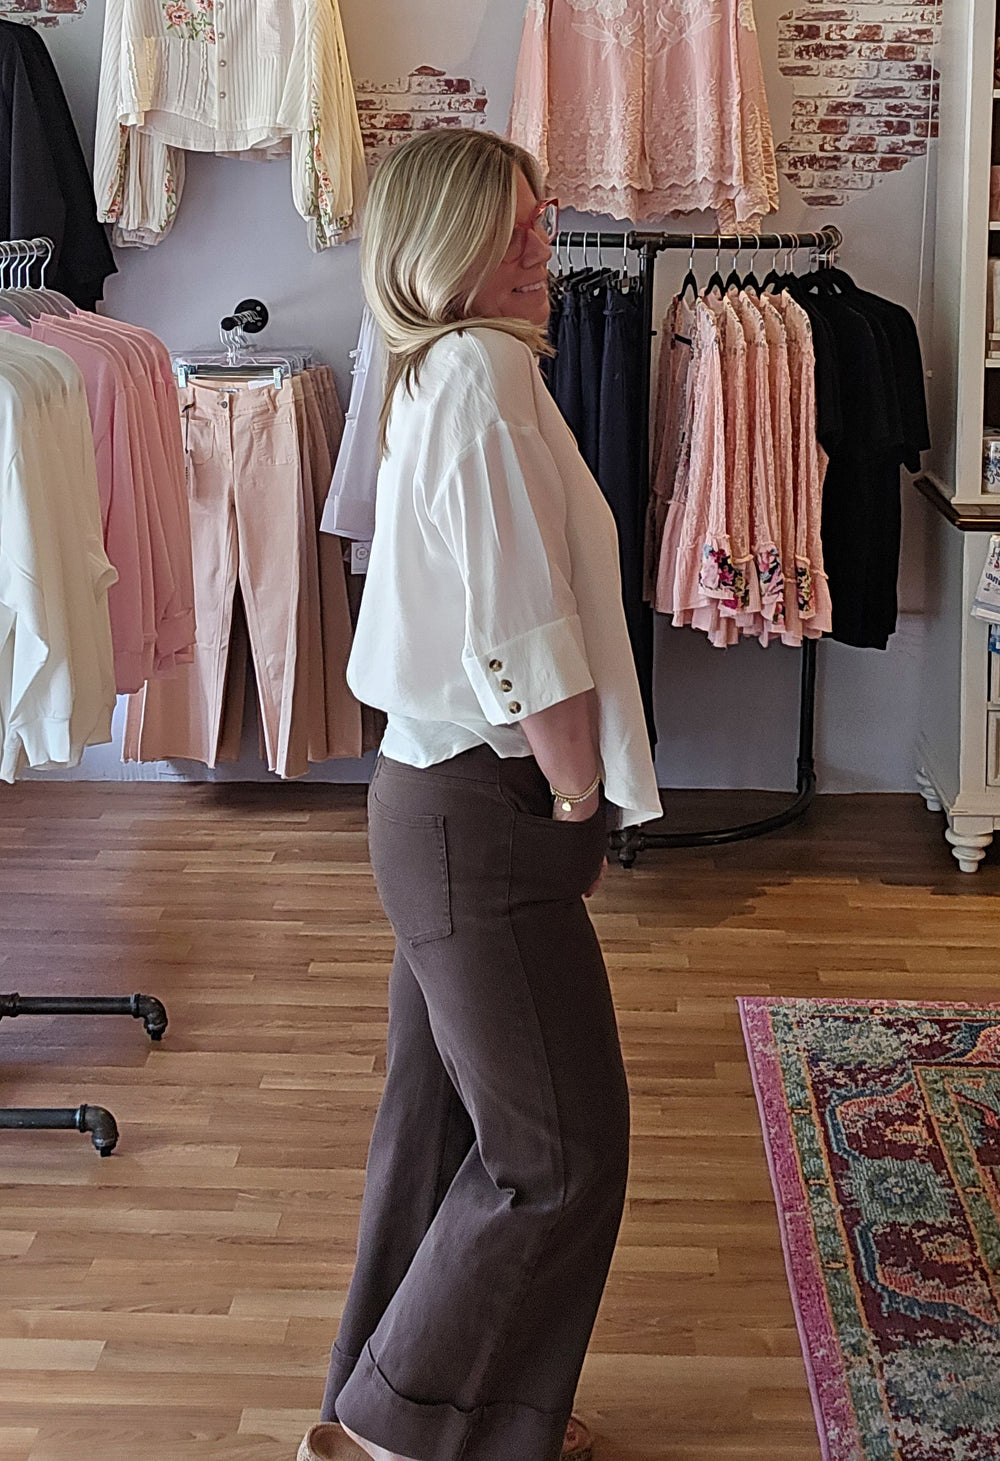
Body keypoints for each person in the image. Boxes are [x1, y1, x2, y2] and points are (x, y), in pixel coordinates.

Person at [298, 127, 662, 1461]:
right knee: (559, 1154)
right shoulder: (481, 381)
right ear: (442, 248)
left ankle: (396, 1406)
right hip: (479, 812)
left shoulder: (451, 375)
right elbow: (525, 631)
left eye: (539, 222)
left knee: (443, 1129)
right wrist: (579, 794)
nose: (542, 247)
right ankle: (402, 1429)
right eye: (512, 230)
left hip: (440, 806)